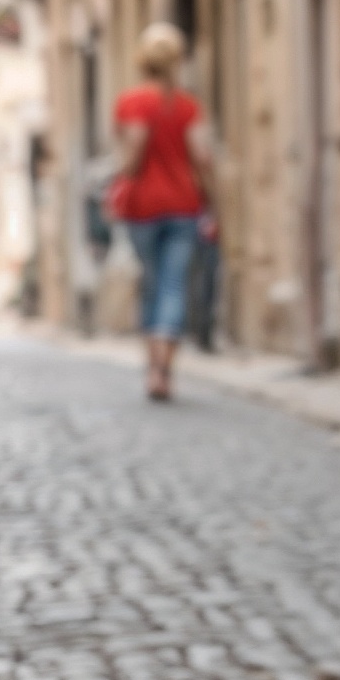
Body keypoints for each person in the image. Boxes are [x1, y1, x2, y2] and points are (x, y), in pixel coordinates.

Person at [111, 21, 218, 400]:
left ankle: (151, 366)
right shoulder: (188, 106)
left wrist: (123, 175)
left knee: (151, 281)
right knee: (174, 284)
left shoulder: (132, 102)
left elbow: (133, 149)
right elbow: (202, 158)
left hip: (141, 206)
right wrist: (212, 199)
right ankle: (164, 367)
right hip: (184, 204)